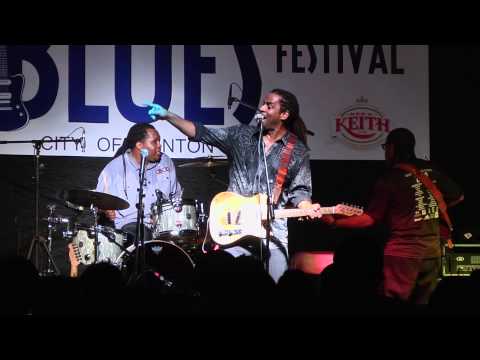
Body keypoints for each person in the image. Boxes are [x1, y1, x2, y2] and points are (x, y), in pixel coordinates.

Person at [146, 88, 323, 282]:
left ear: (284, 114)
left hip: (273, 235)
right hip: (234, 232)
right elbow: (202, 133)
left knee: (276, 292)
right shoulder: (241, 135)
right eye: (263, 103)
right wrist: (168, 115)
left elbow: (301, 190)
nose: (262, 108)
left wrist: (306, 206)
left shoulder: (297, 150)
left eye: (269, 105)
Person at [324, 128, 464, 305]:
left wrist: (336, 223)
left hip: (402, 255)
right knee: (425, 303)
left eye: (385, 148)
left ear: (391, 148)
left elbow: (369, 219)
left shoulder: (390, 178)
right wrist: (431, 210)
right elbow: (459, 196)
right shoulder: (432, 169)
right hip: (432, 252)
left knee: (395, 302)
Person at [96, 123, 183, 243]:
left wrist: (167, 215)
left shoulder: (166, 162)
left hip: (163, 228)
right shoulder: (113, 170)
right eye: (154, 142)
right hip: (127, 231)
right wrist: (105, 209)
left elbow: (176, 197)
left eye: (159, 141)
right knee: (140, 234)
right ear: (139, 145)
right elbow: (98, 202)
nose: (159, 145)